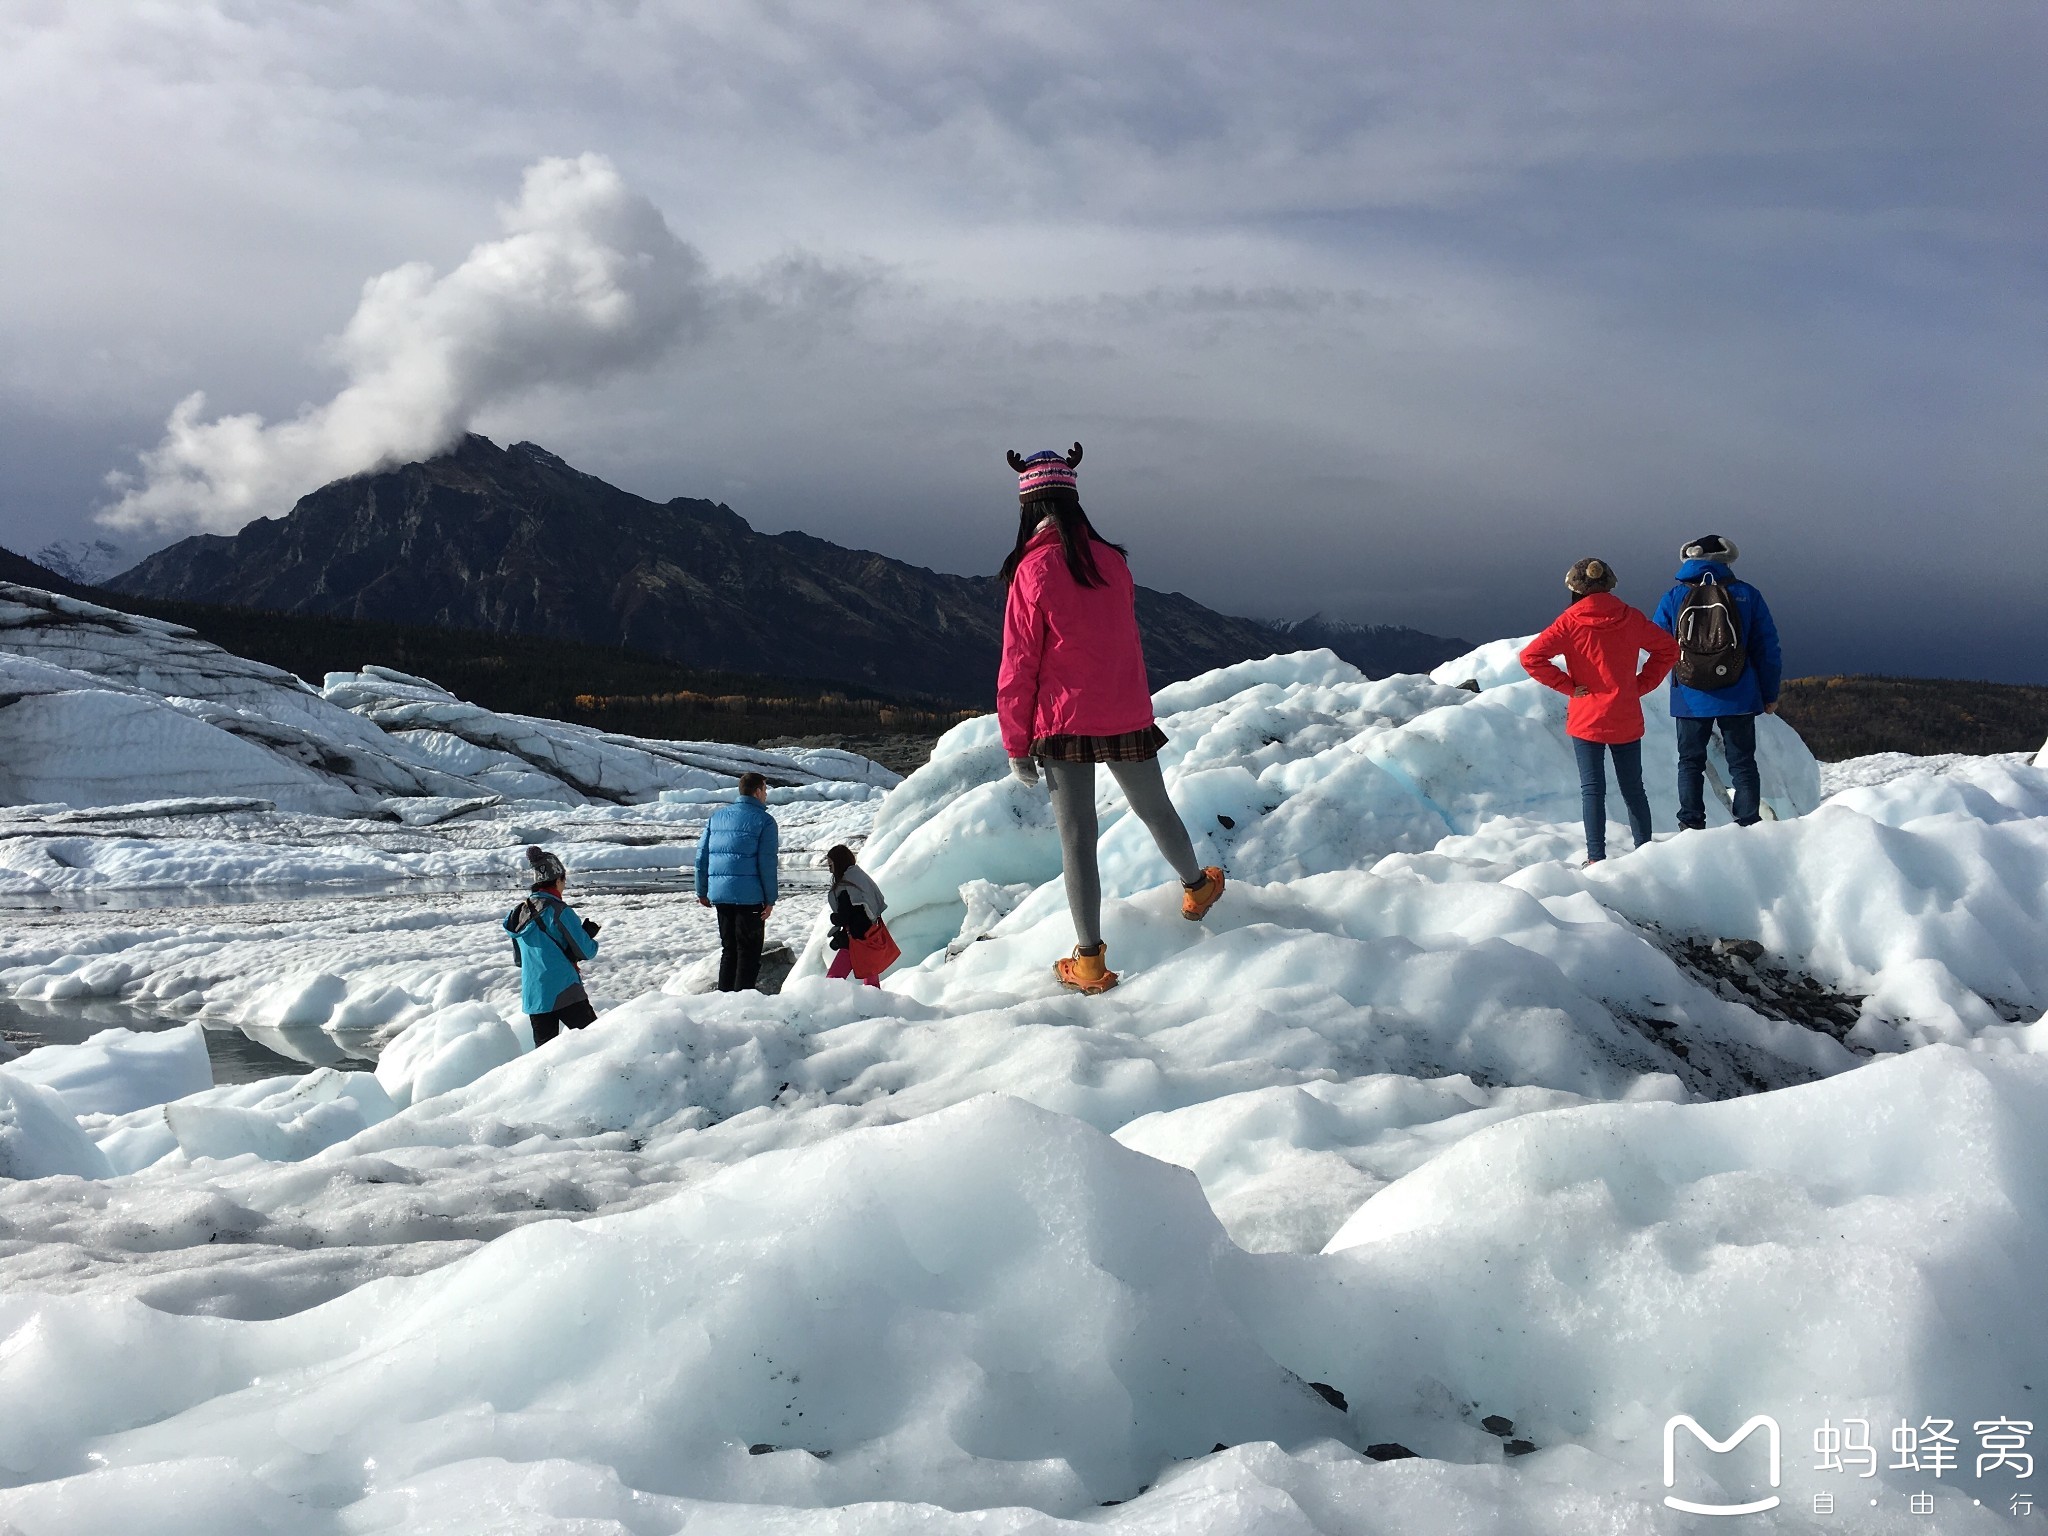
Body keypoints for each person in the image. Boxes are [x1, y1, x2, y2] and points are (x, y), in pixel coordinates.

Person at [996, 442, 1226, 995]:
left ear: (1028, 507)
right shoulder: (1113, 561)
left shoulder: (1031, 568)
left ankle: (1091, 962)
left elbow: (1019, 661)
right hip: (1125, 710)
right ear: (1074, 500)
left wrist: (1016, 741)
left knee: (1078, 838)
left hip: (1062, 720)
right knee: (1154, 808)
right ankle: (1196, 887)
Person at [1519, 558, 1680, 865]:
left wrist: (1568, 687)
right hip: (1625, 714)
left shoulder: (1569, 621)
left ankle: (1596, 858)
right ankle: (1646, 855)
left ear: (1576, 589)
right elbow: (1668, 649)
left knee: (1592, 790)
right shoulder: (1630, 618)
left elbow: (1531, 657)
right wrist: (1641, 684)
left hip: (1586, 717)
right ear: (1610, 585)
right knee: (1634, 789)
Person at [1651, 534, 1783, 829]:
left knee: (1690, 763)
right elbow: (1767, 648)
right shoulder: (1747, 595)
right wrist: (1769, 692)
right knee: (1743, 764)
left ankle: (1691, 824)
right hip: (1738, 692)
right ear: (1726, 559)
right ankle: (1748, 823)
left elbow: (1657, 642)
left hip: (1689, 694)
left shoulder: (1674, 597)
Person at [503, 845, 600, 1044]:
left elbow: (520, 960)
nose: (564, 885)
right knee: (595, 1043)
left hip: (534, 997)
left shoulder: (517, 913)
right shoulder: (559, 910)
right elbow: (586, 951)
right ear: (558, 880)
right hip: (565, 990)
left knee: (545, 1059)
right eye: (564, 880)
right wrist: (588, 936)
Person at [696, 770, 779, 991]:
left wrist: (702, 891)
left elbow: (702, 856)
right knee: (748, 953)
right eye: (765, 790)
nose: (766, 795)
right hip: (749, 898)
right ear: (758, 791)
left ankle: (722, 998)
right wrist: (770, 899)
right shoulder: (765, 821)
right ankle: (741, 1004)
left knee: (729, 950)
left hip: (721, 895)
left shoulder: (717, 817)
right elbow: (767, 863)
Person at [823, 844, 888, 987]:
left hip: (854, 939)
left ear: (838, 863)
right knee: (871, 982)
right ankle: (876, 1006)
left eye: (831, 864)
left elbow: (844, 916)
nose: (829, 868)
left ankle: (829, 1006)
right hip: (868, 935)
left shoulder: (846, 886)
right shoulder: (860, 878)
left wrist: (834, 919)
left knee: (833, 980)